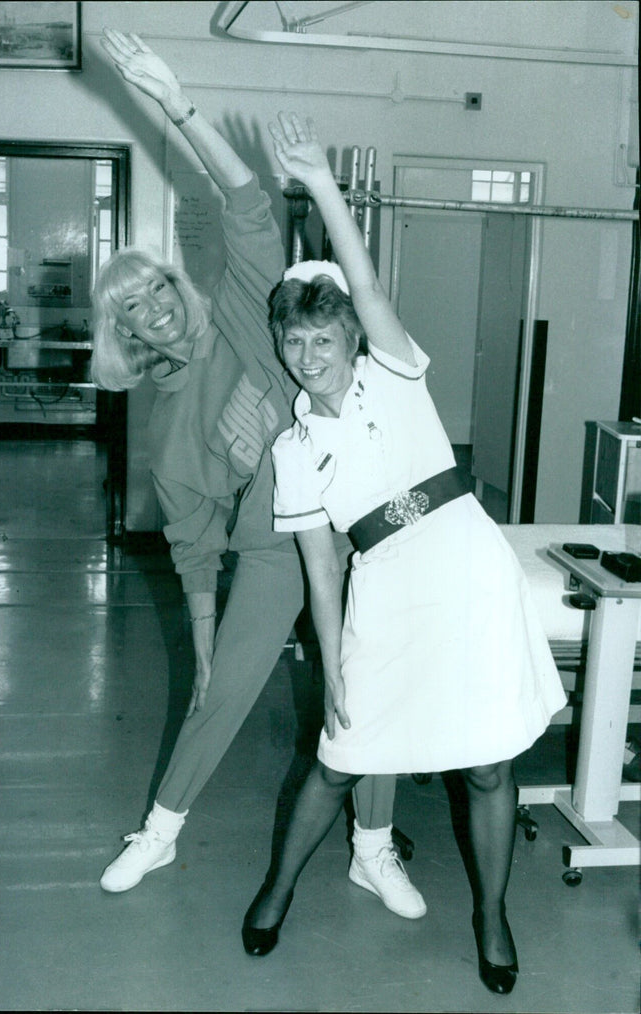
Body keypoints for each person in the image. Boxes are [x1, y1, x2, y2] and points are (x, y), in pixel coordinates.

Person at [90, 31, 425, 920]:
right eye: (132, 310)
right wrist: (202, 645)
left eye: (157, 285)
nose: (155, 307)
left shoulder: (246, 307)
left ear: (175, 283)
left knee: (368, 680)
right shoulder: (166, 434)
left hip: (361, 519)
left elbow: (243, 200)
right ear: (124, 336)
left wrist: (176, 101)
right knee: (223, 690)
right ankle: (159, 833)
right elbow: (194, 548)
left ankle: (372, 848)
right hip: (275, 542)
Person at [240, 112, 568, 997]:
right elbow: (320, 565)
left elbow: (369, 284)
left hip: (466, 570)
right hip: (384, 590)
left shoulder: (393, 369)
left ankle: (492, 913)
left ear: (350, 338)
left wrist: (319, 186)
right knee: (341, 757)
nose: (309, 354)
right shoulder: (294, 449)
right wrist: (334, 664)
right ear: (283, 347)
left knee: (489, 761)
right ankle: (278, 887)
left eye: (324, 337)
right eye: (294, 340)